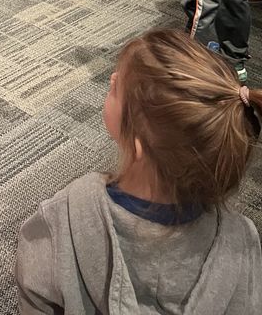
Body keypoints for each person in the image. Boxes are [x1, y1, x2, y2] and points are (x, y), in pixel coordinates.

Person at [16, 27, 262, 314]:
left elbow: (35, 295)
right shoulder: (240, 243)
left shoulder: (65, 216)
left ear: (139, 144)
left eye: (117, 87)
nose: (112, 78)